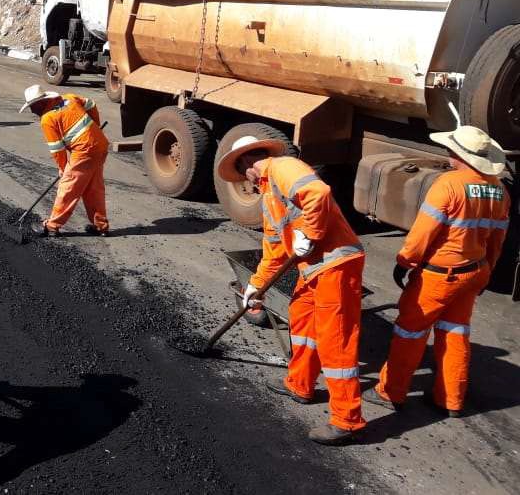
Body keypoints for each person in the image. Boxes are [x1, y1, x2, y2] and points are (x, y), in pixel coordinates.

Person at [217, 135, 366, 445]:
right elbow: (274, 251)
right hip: (312, 267)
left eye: (241, 171)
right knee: (301, 320)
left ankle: (347, 419)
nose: (245, 180)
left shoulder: (283, 167)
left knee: (334, 340)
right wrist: (254, 286)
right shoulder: (269, 194)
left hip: (336, 263)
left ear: (248, 162)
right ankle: (300, 384)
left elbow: (318, 192)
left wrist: (310, 234)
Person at [364, 125, 510, 419]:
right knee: (455, 333)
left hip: (439, 275)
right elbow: (497, 240)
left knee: (410, 332)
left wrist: (405, 261)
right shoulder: (498, 189)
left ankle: (391, 391)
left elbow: (422, 234)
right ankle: (451, 399)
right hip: (474, 271)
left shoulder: (448, 184)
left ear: (458, 153)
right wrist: (487, 271)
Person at [19, 85, 109, 237]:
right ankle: (100, 225)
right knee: (93, 187)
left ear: (40, 103)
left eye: (32, 107)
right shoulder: (69, 98)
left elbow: (57, 150)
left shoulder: (47, 119)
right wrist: (96, 127)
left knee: (68, 187)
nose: (32, 111)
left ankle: (52, 226)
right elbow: (91, 104)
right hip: (100, 145)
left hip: (84, 151)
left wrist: (63, 168)